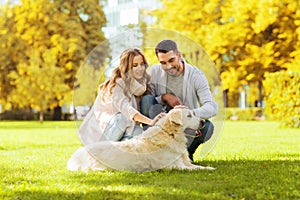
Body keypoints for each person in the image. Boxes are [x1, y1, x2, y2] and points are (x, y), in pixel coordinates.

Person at [140, 39, 218, 161]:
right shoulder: (154, 72)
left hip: (185, 126)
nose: (168, 66)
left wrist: (189, 114)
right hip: (163, 127)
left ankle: (185, 154)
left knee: (207, 128)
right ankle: (154, 152)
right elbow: (148, 102)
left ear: (179, 55)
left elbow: (212, 107)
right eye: (163, 63)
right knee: (146, 100)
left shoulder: (196, 75)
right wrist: (164, 97)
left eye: (171, 60)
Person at [78, 48, 164, 146]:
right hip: (106, 128)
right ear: (127, 68)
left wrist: (164, 98)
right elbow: (127, 110)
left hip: (127, 126)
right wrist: (151, 122)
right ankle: (99, 151)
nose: (140, 68)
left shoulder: (141, 84)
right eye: (135, 65)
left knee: (140, 136)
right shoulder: (117, 84)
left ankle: (117, 152)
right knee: (121, 118)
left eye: (142, 64)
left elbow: (144, 101)